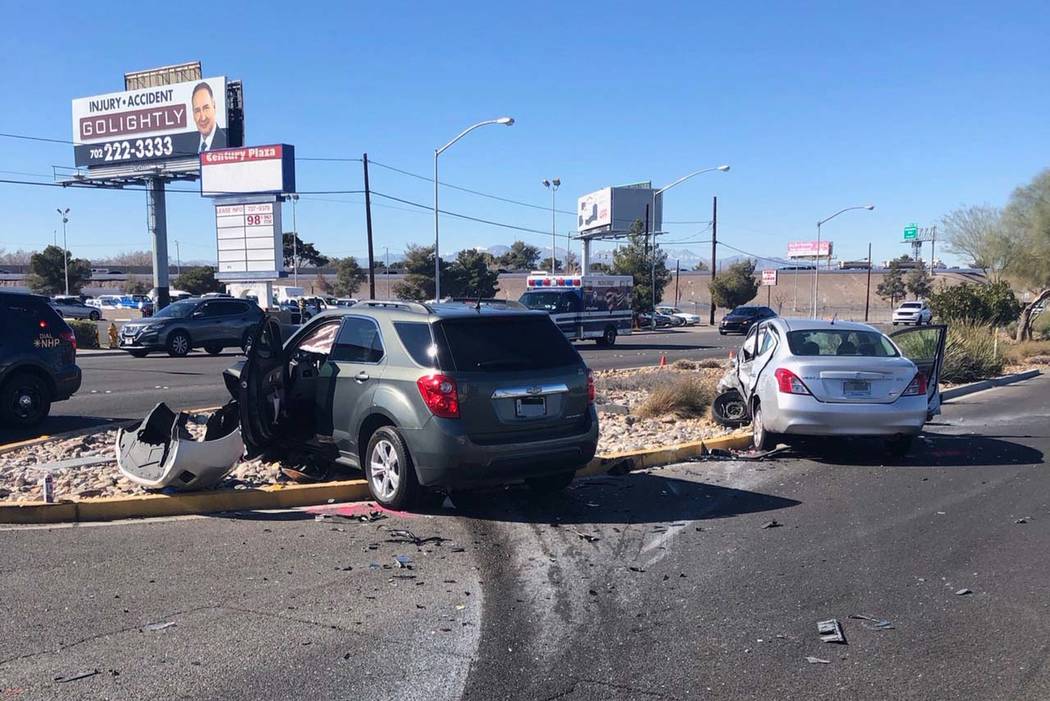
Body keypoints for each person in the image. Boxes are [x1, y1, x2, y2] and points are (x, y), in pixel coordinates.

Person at [191, 82, 226, 153]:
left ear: (214, 107)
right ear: (193, 114)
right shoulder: (188, 145)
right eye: (197, 111)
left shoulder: (227, 143)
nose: (203, 117)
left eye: (206, 108)